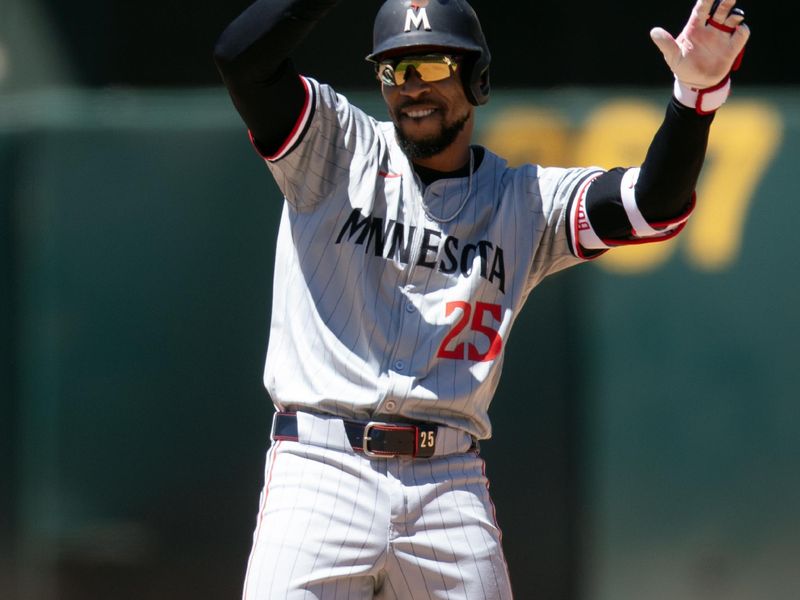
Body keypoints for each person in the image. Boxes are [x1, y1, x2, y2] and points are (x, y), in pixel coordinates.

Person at [213, 0, 749, 597]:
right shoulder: (335, 146)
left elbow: (652, 207)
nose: (412, 87)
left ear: (477, 78)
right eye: (395, 70)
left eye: (432, 66)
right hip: (320, 467)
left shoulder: (524, 202)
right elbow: (241, 58)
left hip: (447, 479)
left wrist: (695, 100)